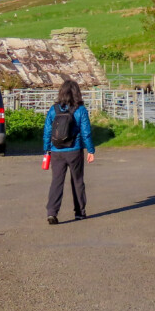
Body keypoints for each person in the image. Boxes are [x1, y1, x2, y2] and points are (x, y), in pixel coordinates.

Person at [43, 80, 95, 224]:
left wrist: (46, 149)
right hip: (74, 150)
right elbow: (86, 133)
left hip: (56, 151)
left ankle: (52, 212)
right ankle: (79, 212)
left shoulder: (54, 109)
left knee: (56, 181)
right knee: (77, 181)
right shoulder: (80, 110)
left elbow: (47, 131)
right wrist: (90, 150)